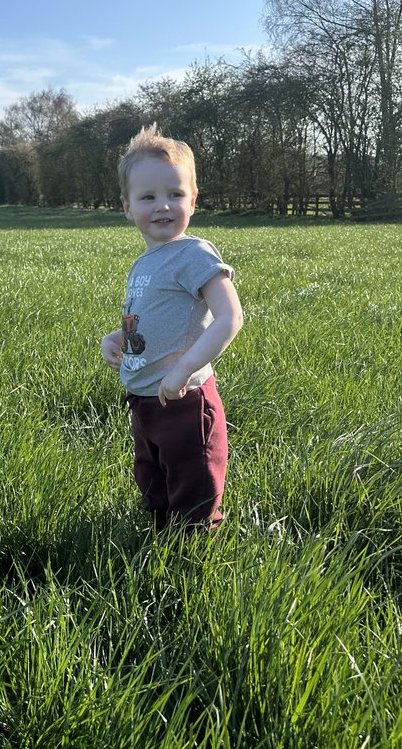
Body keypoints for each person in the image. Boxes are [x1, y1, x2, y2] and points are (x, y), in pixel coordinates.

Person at [101, 124, 243, 529]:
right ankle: (160, 535)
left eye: (175, 194)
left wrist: (184, 369)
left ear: (193, 200)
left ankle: (192, 558)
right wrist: (115, 338)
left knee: (192, 485)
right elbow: (149, 318)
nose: (163, 205)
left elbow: (230, 317)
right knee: (154, 479)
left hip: (184, 400)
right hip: (144, 399)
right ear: (127, 207)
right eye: (148, 197)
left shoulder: (194, 254)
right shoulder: (145, 262)